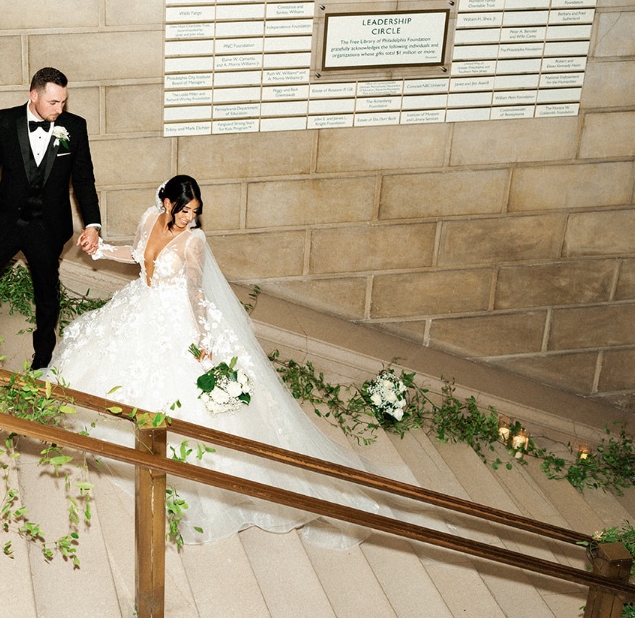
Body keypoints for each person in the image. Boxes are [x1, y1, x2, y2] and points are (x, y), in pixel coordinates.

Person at [49, 175, 403, 548]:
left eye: (195, 212)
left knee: (182, 397)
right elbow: (136, 254)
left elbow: (195, 290)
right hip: (143, 303)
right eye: (184, 210)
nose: (189, 218)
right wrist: (102, 250)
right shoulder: (148, 218)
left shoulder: (194, 242)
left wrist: (203, 338)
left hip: (179, 317)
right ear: (166, 202)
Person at [0, 67, 101, 371]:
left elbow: (84, 181)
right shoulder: (4, 121)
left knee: (46, 293)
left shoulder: (74, 128)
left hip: (46, 227)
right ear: (34, 96)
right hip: (4, 222)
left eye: (63, 102)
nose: (60, 109)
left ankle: (44, 350)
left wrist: (93, 225)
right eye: (53, 103)